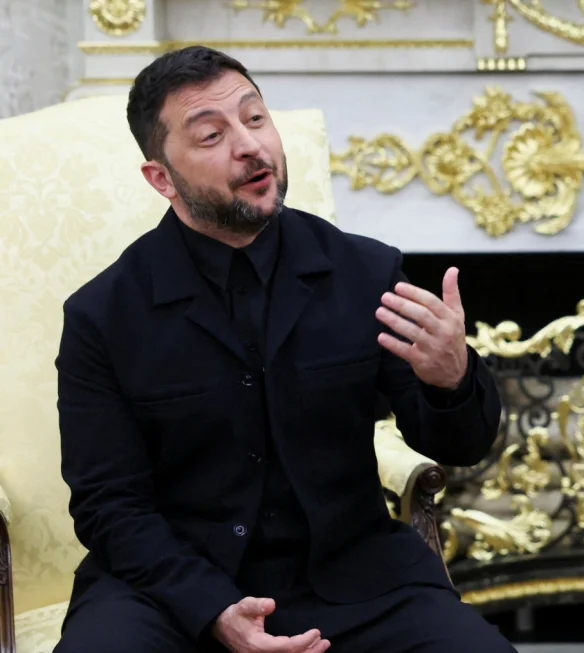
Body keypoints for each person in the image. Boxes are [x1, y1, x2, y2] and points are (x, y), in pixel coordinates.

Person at [53, 46, 515, 653]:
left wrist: (452, 380)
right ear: (161, 178)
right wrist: (212, 608)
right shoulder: (103, 315)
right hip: (170, 591)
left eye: (255, 118)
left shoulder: (366, 272)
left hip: (355, 581)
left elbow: (463, 446)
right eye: (212, 135)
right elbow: (109, 505)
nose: (249, 146)